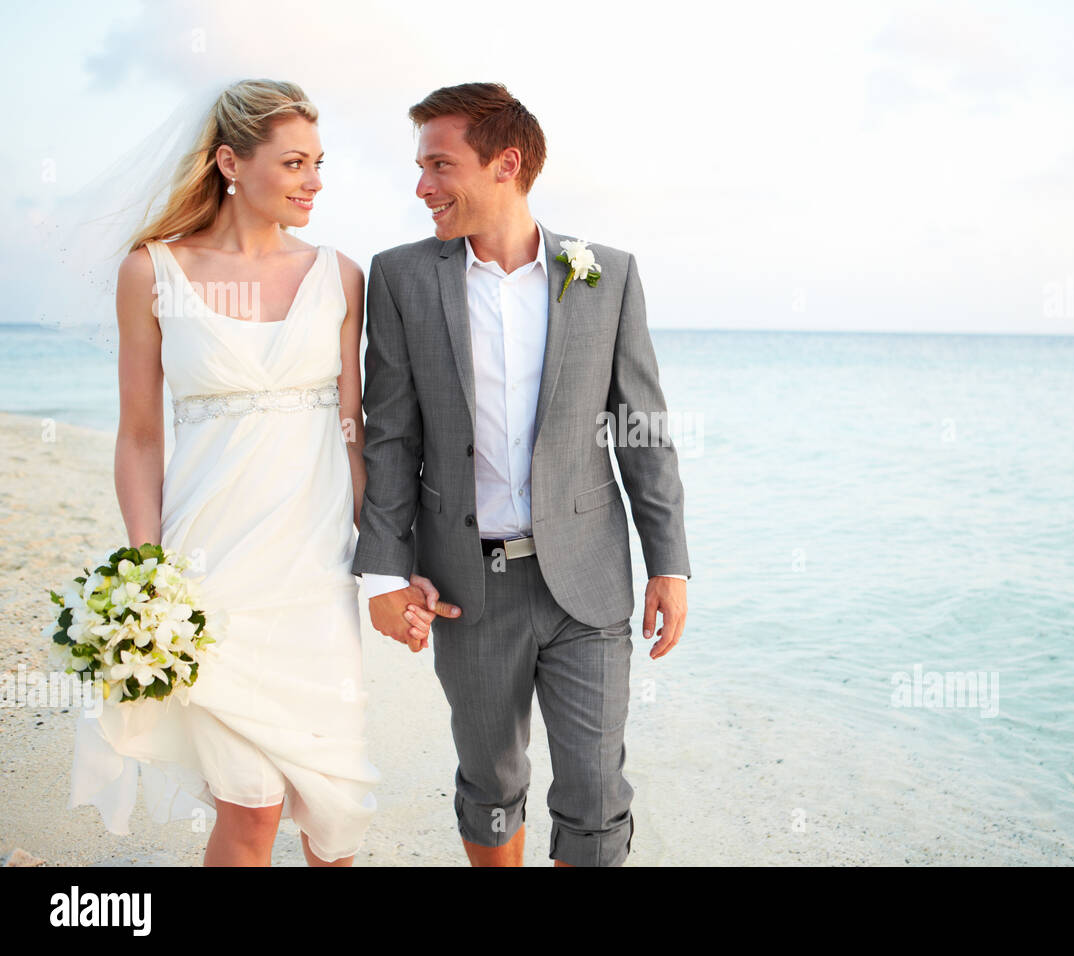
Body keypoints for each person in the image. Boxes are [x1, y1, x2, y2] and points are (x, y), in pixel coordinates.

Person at [67, 78, 436, 866]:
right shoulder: (153, 272)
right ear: (231, 163)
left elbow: (354, 433)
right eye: (295, 163)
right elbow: (138, 437)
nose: (315, 181)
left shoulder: (339, 275)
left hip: (314, 573)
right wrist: (147, 568)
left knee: (332, 816)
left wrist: (393, 566)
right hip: (210, 573)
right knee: (251, 809)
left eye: (319, 163)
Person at [352, 82, 691, 867]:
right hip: (468, 585)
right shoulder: (401, 278)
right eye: (419, 166)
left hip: (590, 580)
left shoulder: (605, 274)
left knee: (597, 795)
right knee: (490, 781)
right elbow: (392, 436)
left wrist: (669, 563)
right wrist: (384, 572)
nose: (422, 187)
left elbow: (642, 431)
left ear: (506, 164)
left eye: (440, 165)